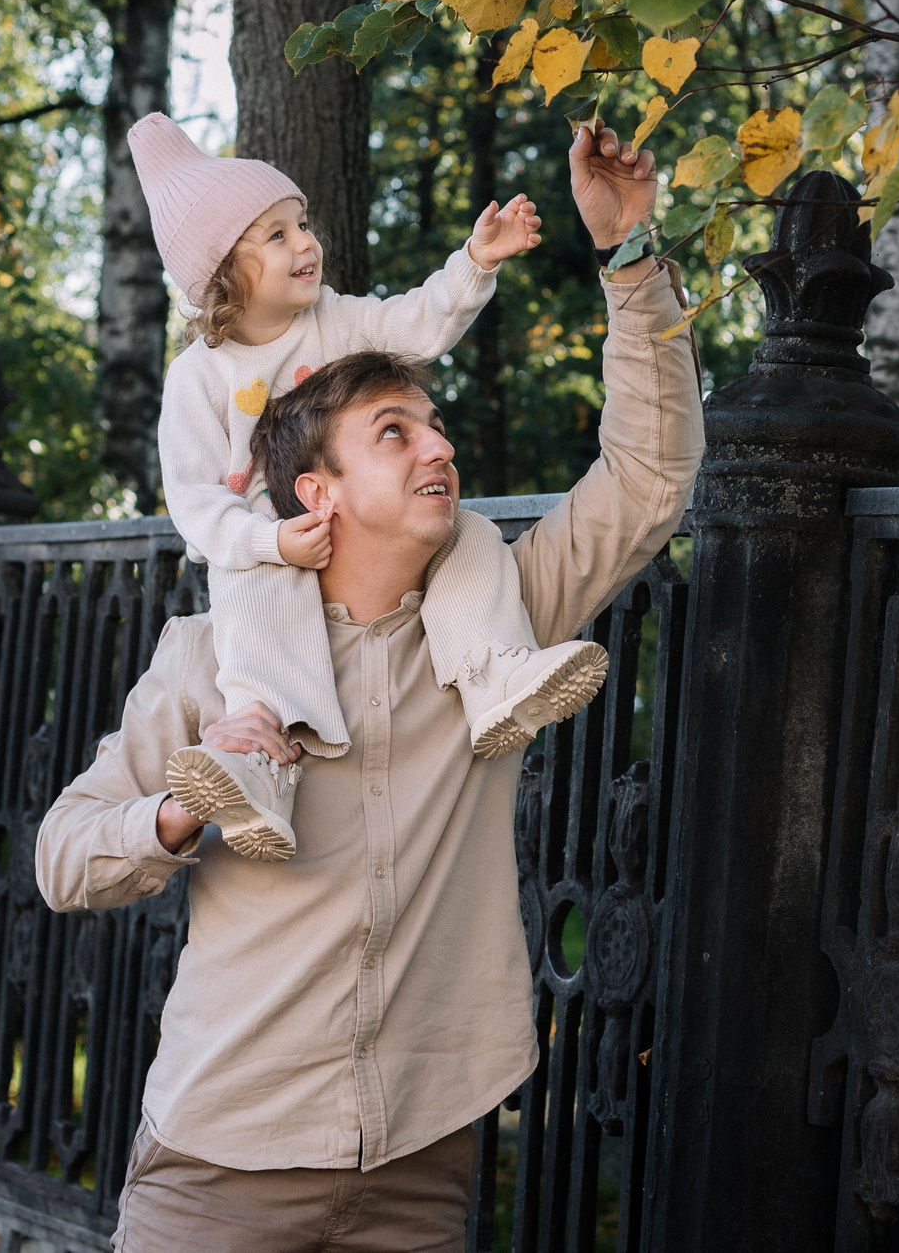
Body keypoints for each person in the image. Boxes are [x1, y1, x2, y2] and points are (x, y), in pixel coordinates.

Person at [36, 121, 698, 1251]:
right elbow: (62, 856)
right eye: (395, 433)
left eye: (433, 424)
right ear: (317, 492)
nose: (438, 448)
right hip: (221, 1163)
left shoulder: (503, 626)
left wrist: (629, 255)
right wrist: (184, 812)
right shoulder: (213, 659)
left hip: (421, 1164)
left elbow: (646, 475)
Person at [128, 113, 611, 861]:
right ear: (222, 270)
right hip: (263, 540)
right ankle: (258, 754)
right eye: (278, 234)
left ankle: (495, 674)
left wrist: (474, 262)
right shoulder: (198, 377)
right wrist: (268, 539)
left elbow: (412, 326)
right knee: (259, 595)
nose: (306, 243)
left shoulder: (333, 321)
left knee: (470, 535)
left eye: (303, 223)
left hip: (352, 520)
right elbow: (194, 502)